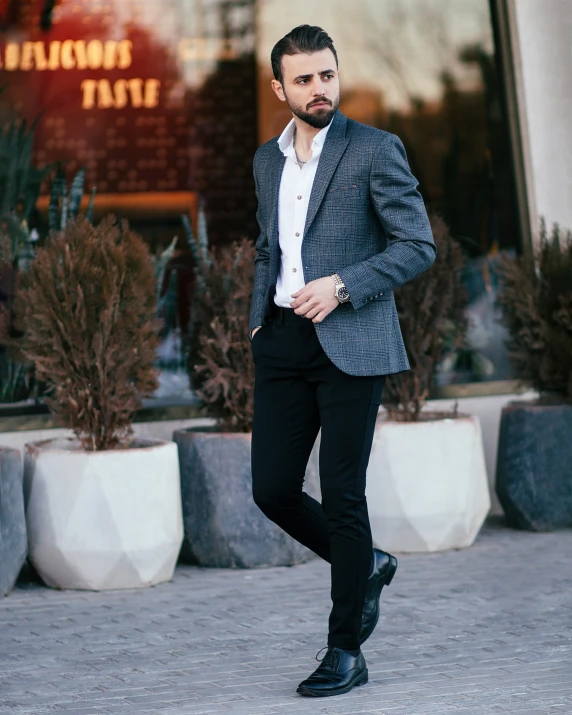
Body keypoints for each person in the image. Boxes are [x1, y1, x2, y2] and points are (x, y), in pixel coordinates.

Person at [249, 24, 436, 698]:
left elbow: (418, 245)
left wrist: (344, 284)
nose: (319, 88)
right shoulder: (266, 161)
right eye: (303, 79)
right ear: (281, 88)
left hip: (351, 342)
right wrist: (256, 318)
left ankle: (345, 649)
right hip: (282, 342)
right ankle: (371, 563)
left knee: (344, 494)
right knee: (270, 488)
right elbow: (271, 245)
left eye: (326, 74)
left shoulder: (374, 150)